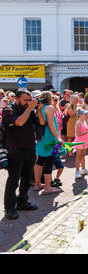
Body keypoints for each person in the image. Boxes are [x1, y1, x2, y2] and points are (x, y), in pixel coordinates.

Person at [2, 90, 45, 219]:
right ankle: (9, 208)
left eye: (29, 100)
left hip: (30, 149)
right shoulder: (8, 110)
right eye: (25, 100)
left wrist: (39, 111)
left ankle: (22, 202)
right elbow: (19, 122)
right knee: (13, 180)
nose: (28, 103)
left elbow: (41, 123)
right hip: (14, 150)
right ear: (16, 98)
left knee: (26, 179)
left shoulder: (31, 110)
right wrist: (30, 108)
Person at [34, 91, 63, 195]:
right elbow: (51, 124)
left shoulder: (40, 108)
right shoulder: (49, 108)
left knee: (40, 160)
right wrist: (58, 138)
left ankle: (37, 184)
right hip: (49, 138)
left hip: (41, 137)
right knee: (49, 161)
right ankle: (47, 187)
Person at [74, 108, 88, 179]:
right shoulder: (78, 123)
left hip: (85, 141)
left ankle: (83, 169)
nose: (87, 115)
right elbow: (78, 134)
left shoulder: (84, 121)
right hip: (79, 142)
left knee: (83, 155)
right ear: (81, 115)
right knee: (78, 156)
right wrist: (87, 131)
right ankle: (77, 171)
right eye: (85, 114)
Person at [51, 94, 64, 186]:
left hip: (59, 130)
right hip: (53, 132)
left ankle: (56, 178)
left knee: (58, 150)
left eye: (57, 99)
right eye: (54, 99)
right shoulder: (50, 109)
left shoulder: (58, 108)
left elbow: (60, 118)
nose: (55, 101)